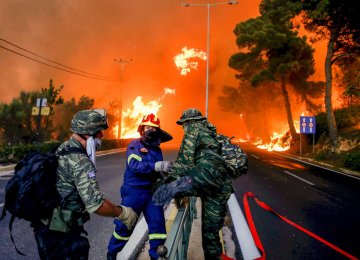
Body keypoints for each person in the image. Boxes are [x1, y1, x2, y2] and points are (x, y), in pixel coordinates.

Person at [32, 109, 138, 260]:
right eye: (100, 132)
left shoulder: (63, 148)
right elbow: (96, 205)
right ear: (88, 133)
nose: (102, 136)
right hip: (62, 235)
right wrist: (122, 213)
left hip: (45, 228)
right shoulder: (81, 162)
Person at [152, 108, 234, 260]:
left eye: (183, 124)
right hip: (221, 186)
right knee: (211, 233)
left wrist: (169, 176)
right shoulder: (212, 133)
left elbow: (186, 163)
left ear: (188, 121)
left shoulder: (193, 130)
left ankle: (168, 191)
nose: (183, 127)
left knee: (158, 191)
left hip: (205, 177)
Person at [107, 113, 173, 260]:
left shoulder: (157, 149)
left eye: (153, 127)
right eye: (147, 127)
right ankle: (112, 254)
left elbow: (157, 172)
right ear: (142, 129)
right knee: (125, 226)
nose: (150, 130)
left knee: (158, 227)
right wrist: (156, 165)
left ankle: (156, 256)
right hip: (133, 192)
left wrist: (166, 175)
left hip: (151, 193)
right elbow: (134, 165)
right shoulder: (134, 145)